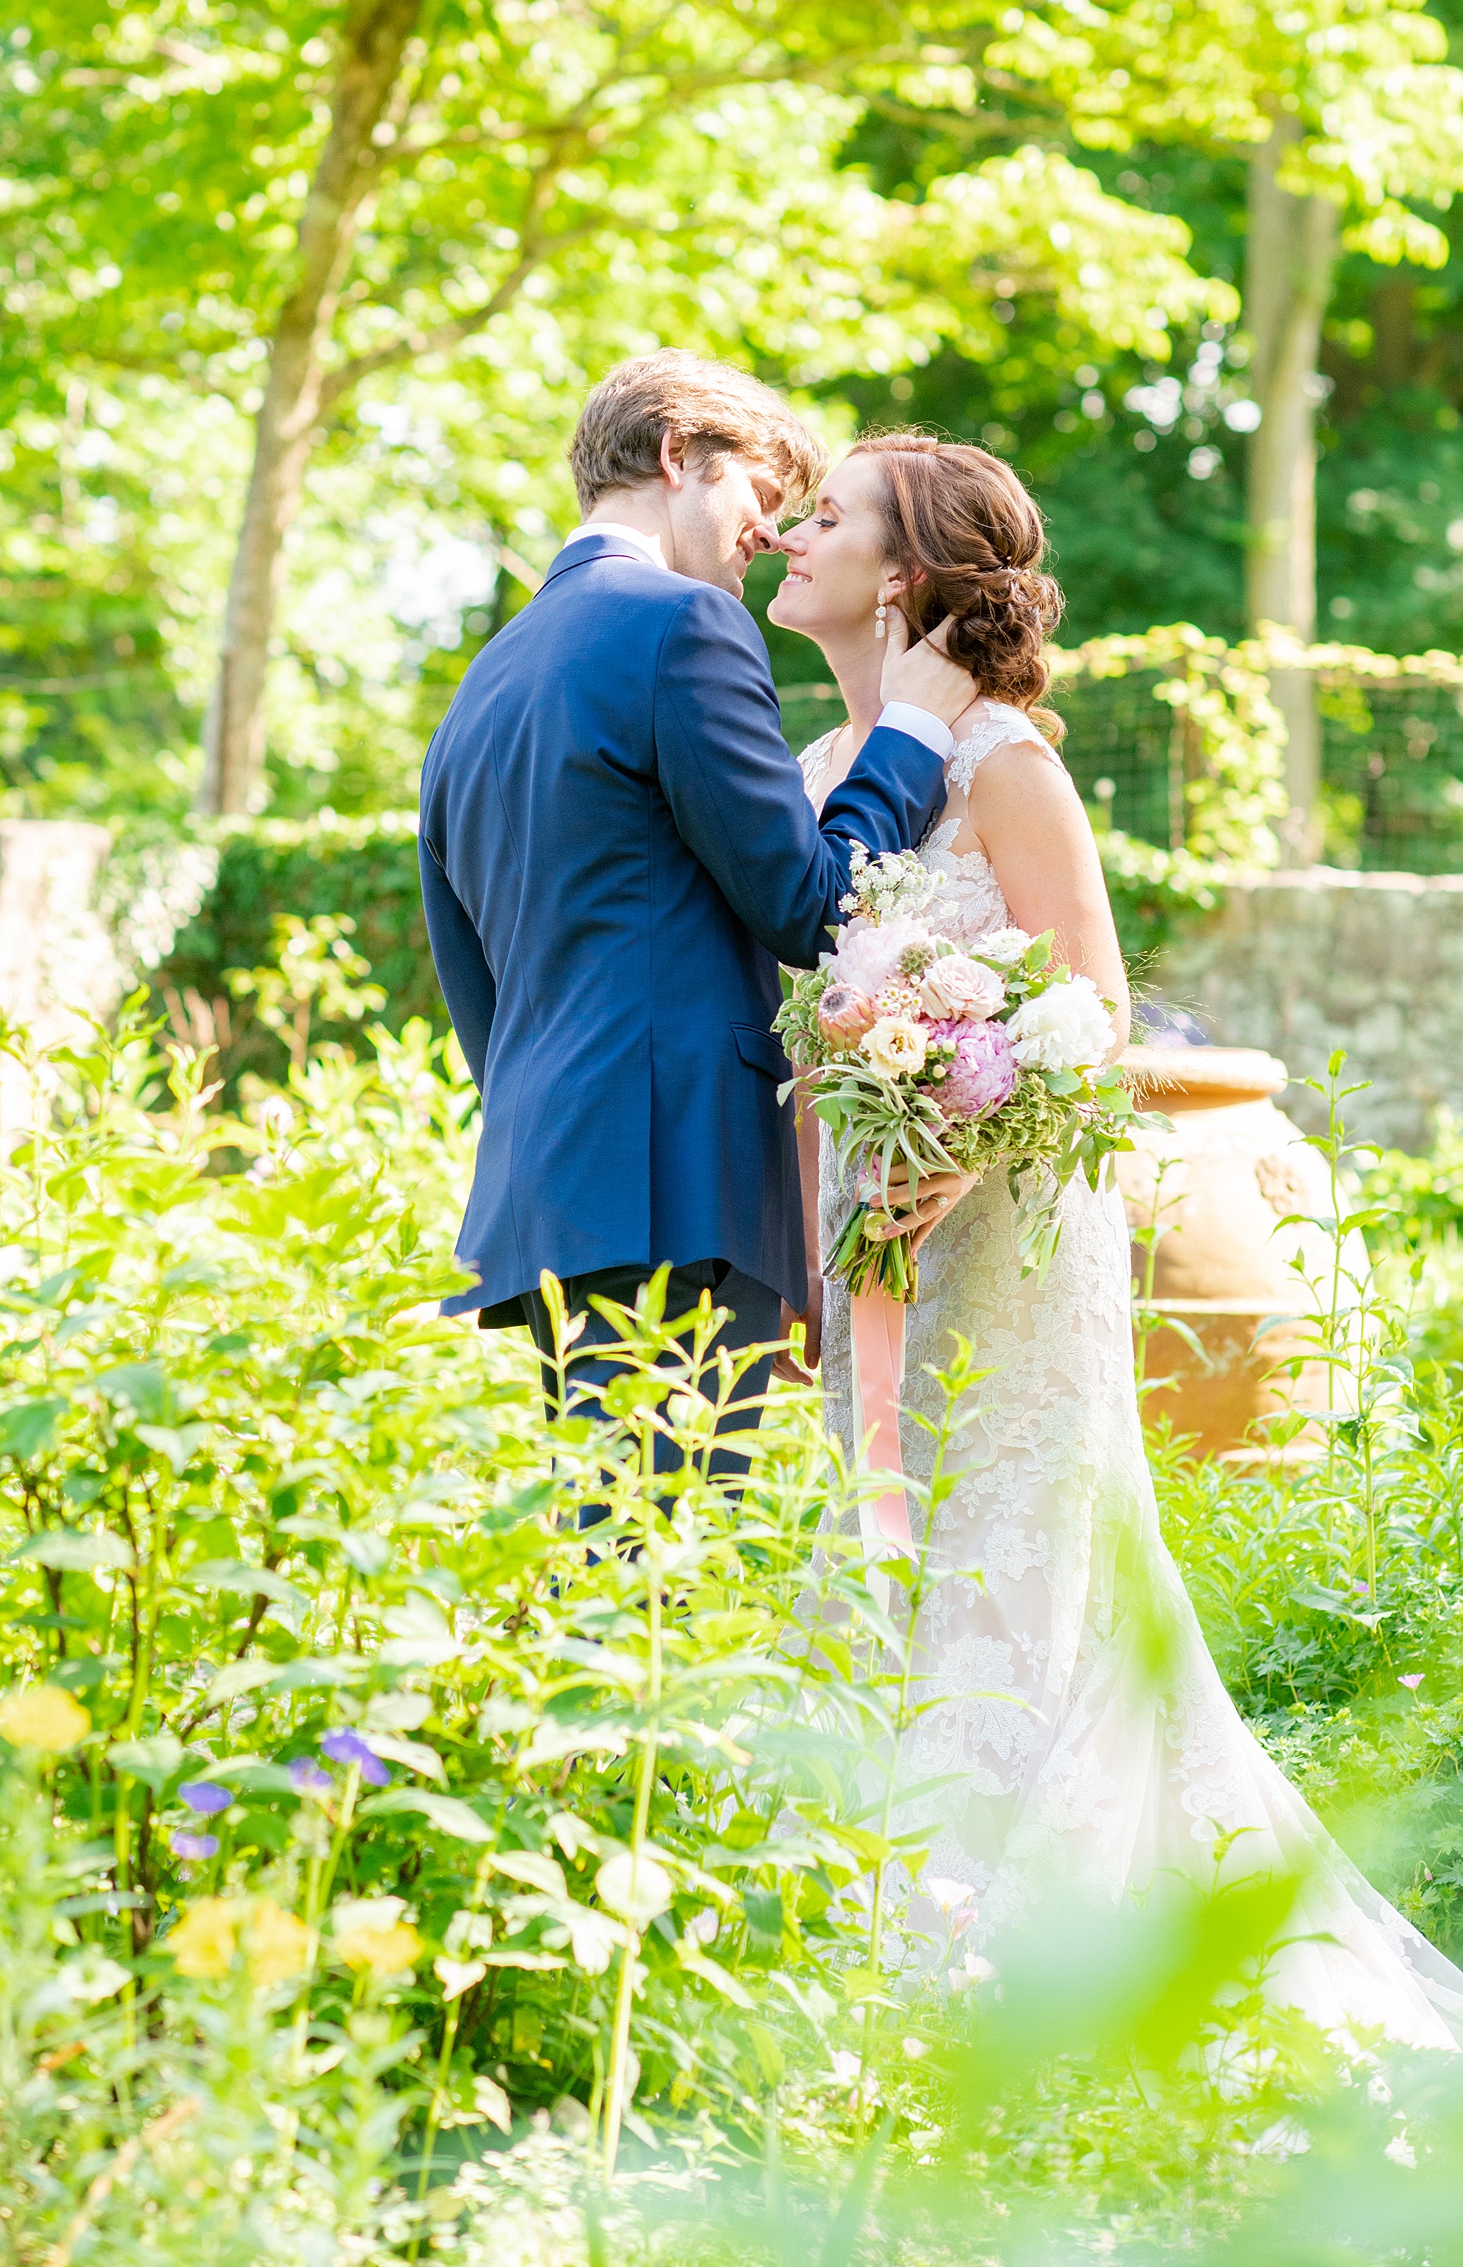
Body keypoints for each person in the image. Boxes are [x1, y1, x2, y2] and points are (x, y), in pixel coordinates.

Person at [777, 427, 1463, 2050]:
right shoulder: (815, 778)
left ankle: (1046, 1940)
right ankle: (874, 1917)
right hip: (853, 1232)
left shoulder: (1008, 761)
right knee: (872, 1530)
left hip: (1004, 1230)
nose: (794, 536)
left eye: (831, 517)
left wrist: (962, 1130)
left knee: (1014, 1547)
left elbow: (1094, 1012)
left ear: (907, 570)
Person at [418, 353, 976, 1492]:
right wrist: (909, 735)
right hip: (673, 1181)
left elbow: (474, 985)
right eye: (759, 501)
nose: (764, 538)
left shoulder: (480, 681)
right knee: (660, 1575)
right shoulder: (679, 625)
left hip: (553, 1187)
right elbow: (811, 903)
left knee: (613, 1571)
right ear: (677, 454)